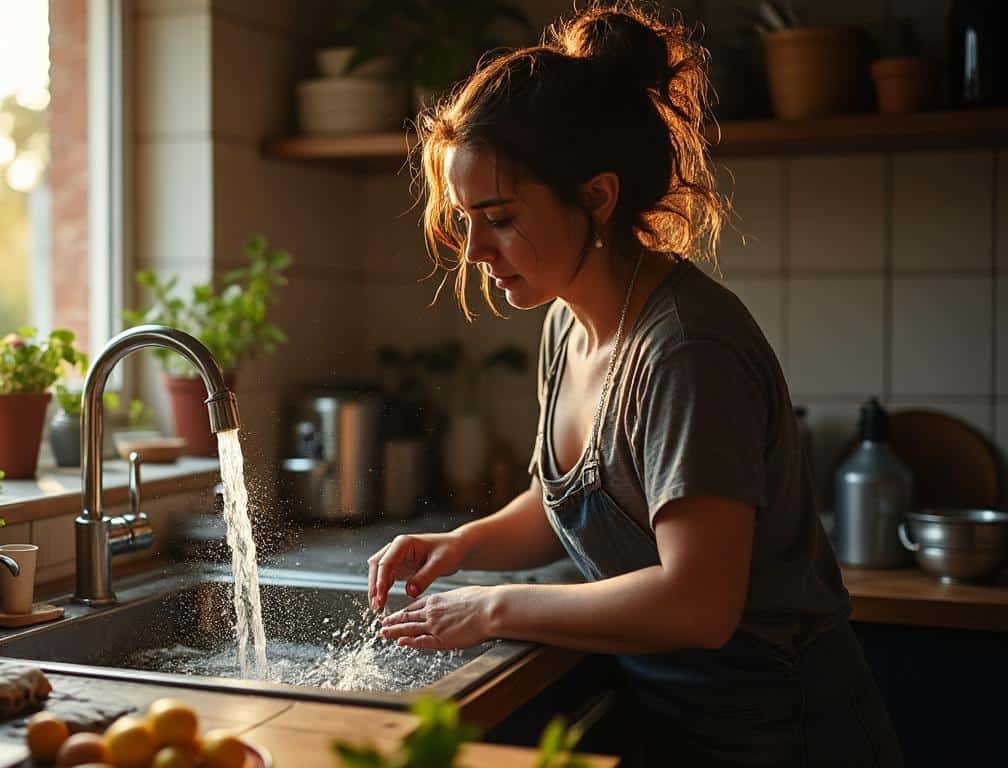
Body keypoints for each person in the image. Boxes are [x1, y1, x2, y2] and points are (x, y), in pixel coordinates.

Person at [366, 4, 902, 766]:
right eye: (465, 219)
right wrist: (459, 546)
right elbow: (579, 507)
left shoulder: (686, 351)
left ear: (598, 197)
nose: (476, 249)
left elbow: (699, 604)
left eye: (501, 218)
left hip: (785, 727)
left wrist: (491, 605)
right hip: (685, 716)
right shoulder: (568, 319)